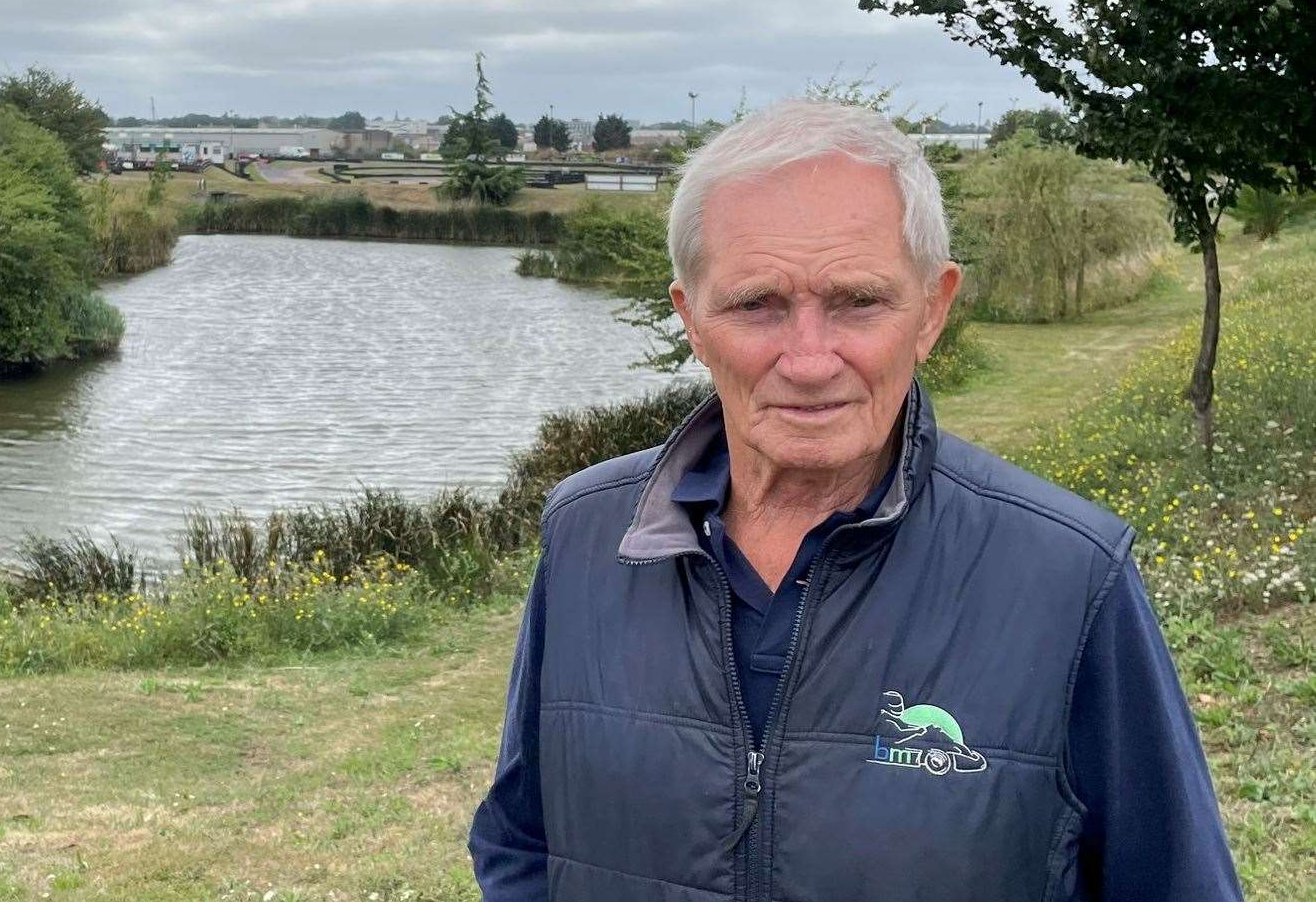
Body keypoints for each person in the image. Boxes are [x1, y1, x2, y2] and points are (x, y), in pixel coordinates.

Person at [467, 100, 1241, 901]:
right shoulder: (587, 533)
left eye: (857, 302)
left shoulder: (1070, 575)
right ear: (692, 319)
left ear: (932, 310)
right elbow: (523, 839)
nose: (808, 358)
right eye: (756, 304)